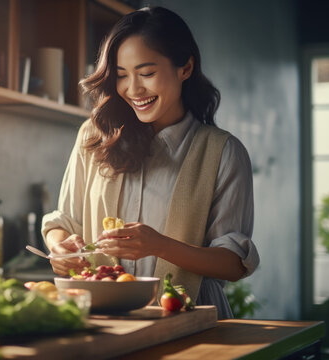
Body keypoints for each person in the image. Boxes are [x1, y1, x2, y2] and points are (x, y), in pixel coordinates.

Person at [41, 6, 259, 319]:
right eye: (121, 76)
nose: (133, 89)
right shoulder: (95, 135)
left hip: (193, 320)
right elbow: (64, 222)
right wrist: (60, 248)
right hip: (104, 320)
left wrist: (159, 245)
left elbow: (234, 263)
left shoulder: (223, 152)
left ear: (185, 68)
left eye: (146, 73)